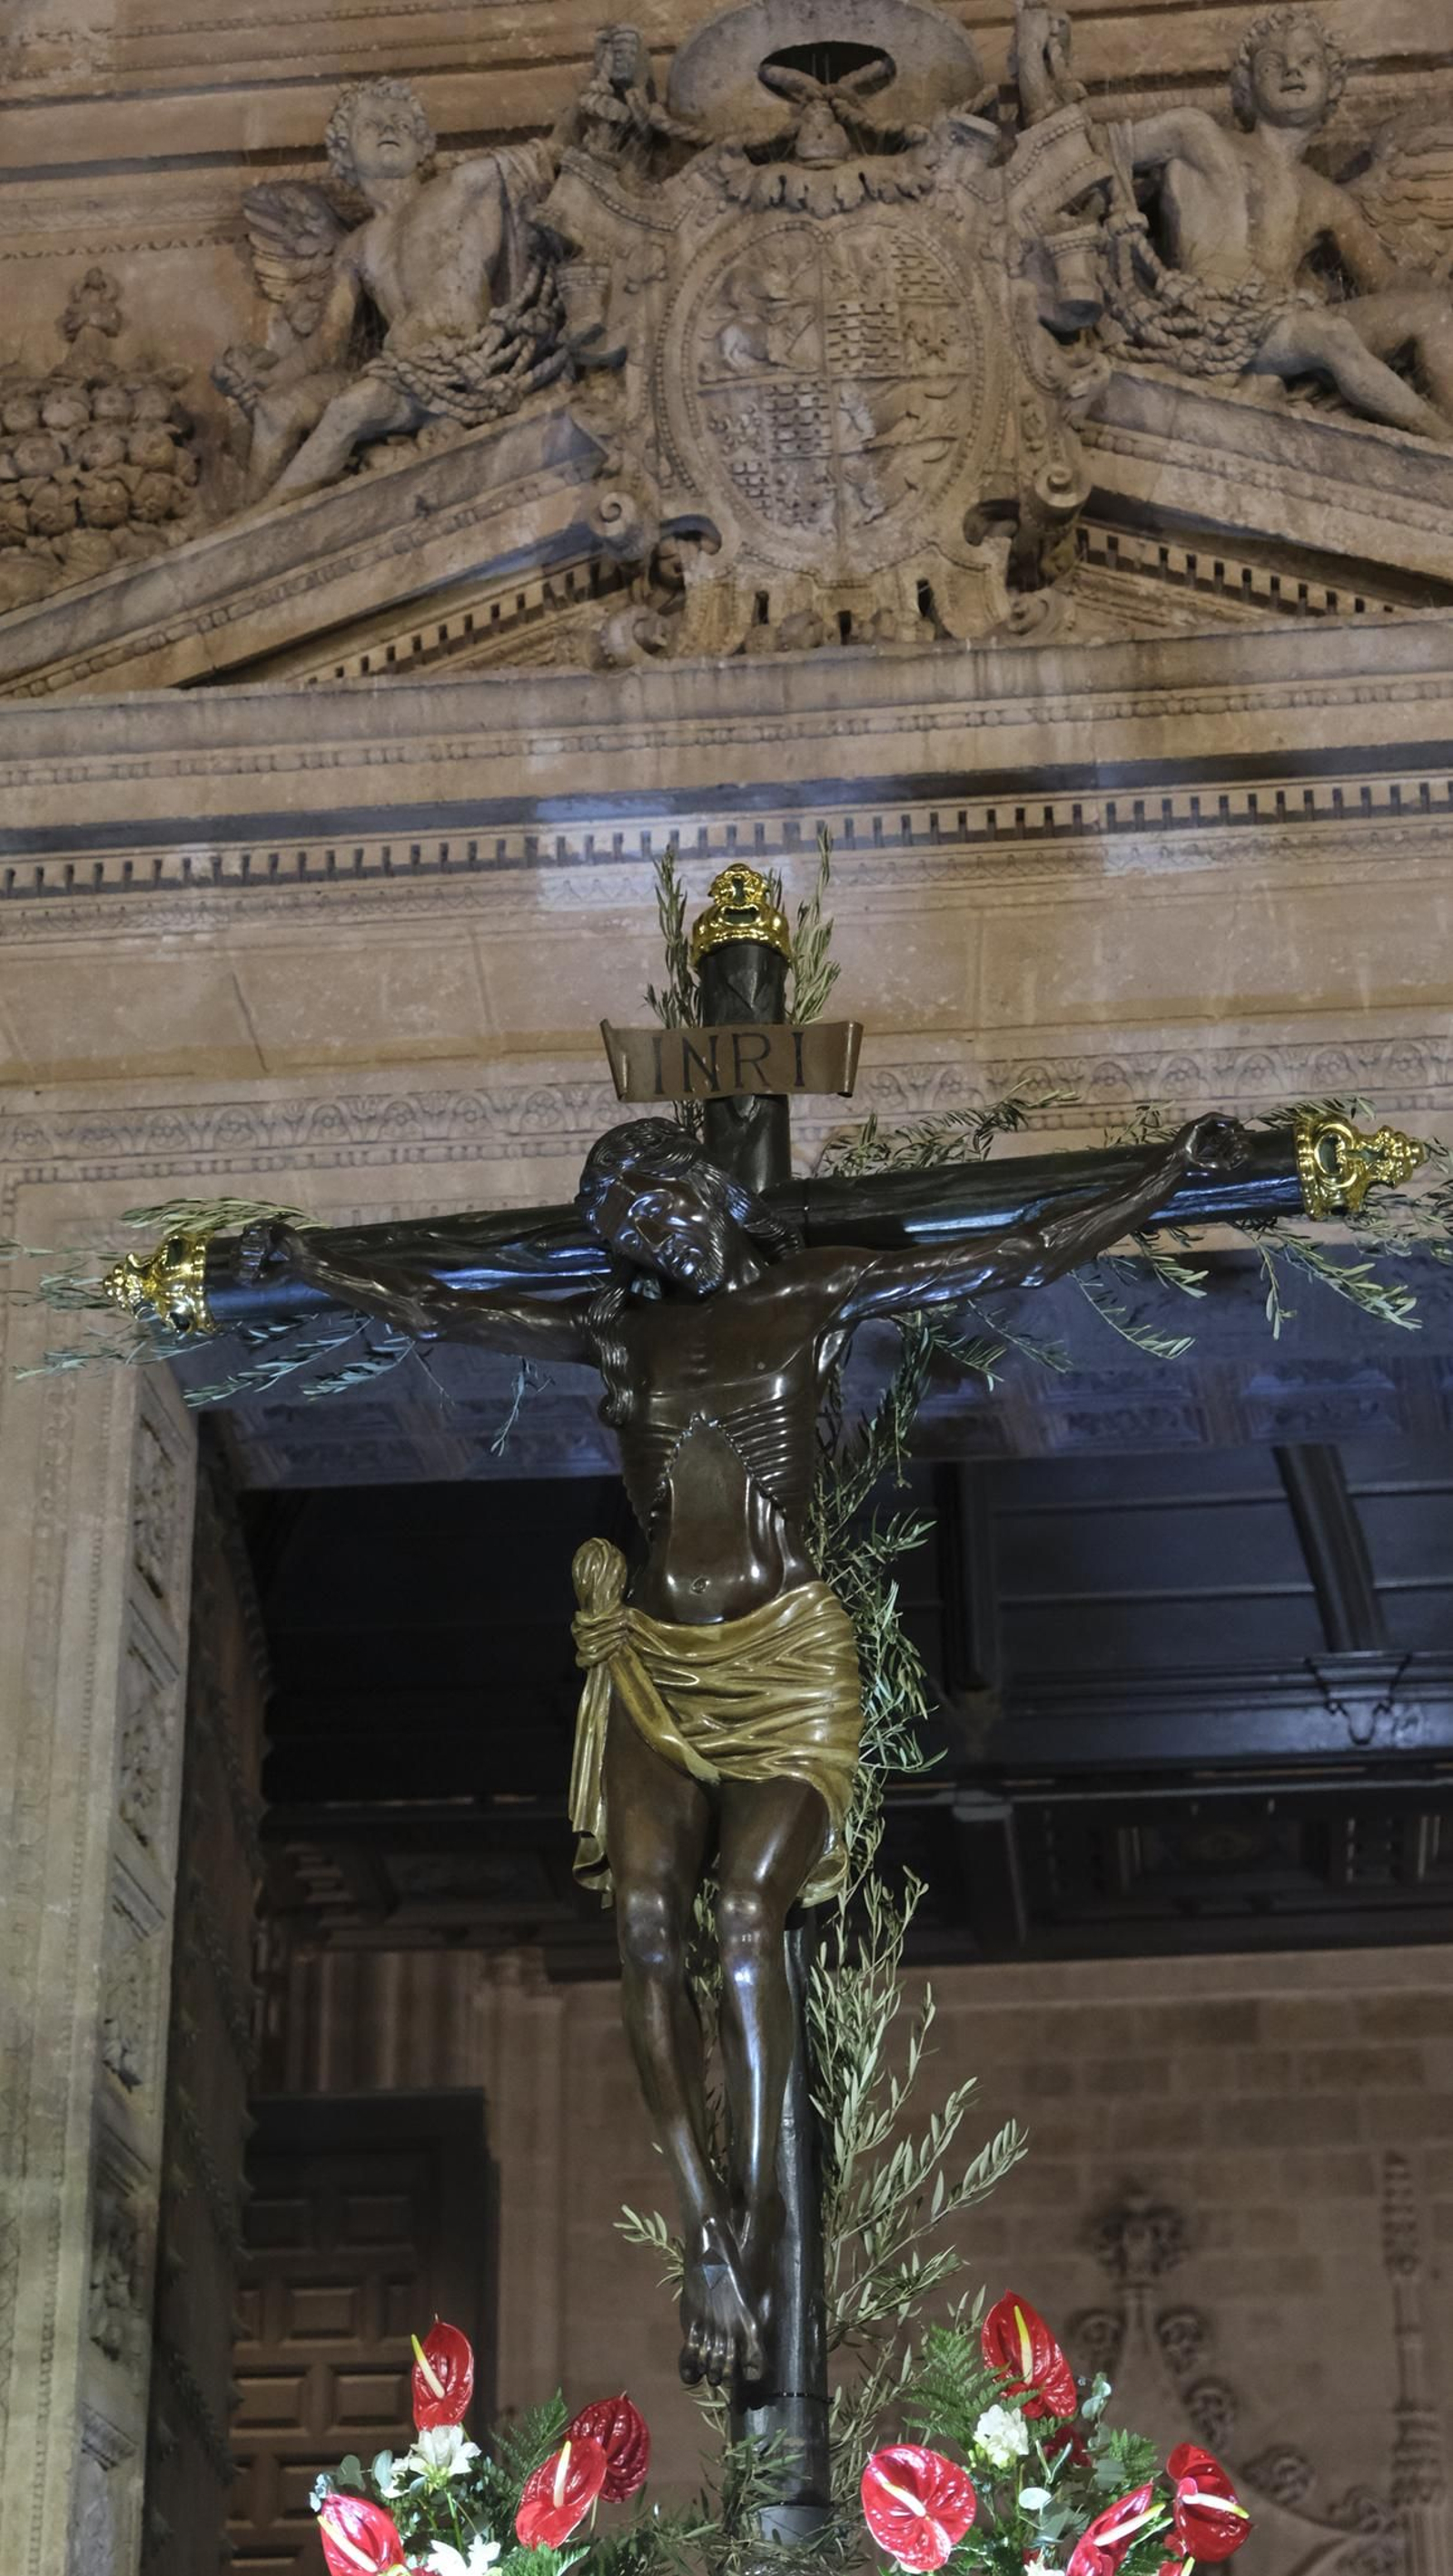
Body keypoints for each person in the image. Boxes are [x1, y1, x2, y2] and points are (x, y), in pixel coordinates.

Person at [241, 1108, 1246, 2386]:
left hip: (784, 1664)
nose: (650, 1234)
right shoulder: (623, 1332)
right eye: (626, 1225)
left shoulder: (814, 1291)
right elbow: (442, 1308)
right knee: (641, 1921)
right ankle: (705, 2224)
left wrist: (1164, 1177)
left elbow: (1017, 1250)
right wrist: (311, 1263)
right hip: (658, 1663)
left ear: (708, 1192)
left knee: (740, 1912)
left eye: (658, 1204)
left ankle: (765, 2228)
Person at [1106, 5, 1453, 439]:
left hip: (1285, 320)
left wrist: (1439, 281)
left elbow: (1386, 280)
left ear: (1332, 85)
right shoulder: (1200, 138)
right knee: (1330, 335)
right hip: (1214, 316)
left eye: (1308, 61)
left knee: (1435, 314)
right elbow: (1102, 151)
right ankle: (1441, 441)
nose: (1292, 71)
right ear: (1247, 85)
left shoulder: (1326, 198)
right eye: (1274, 64)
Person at [246, 79, 557, 500]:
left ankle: (274, 521)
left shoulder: (461, 187)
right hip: (400, 370)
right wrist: (263, 378)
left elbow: (551, 156)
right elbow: (326, 346)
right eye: (371, 124)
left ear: (424, 144)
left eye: (401, 123)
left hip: (464, 362)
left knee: (348, 410)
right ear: (344, 152)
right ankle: (242, 529)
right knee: (274, 411)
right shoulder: (356, 246)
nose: (388, 129)